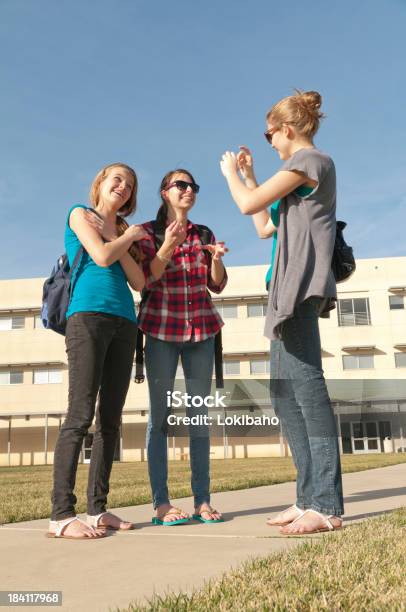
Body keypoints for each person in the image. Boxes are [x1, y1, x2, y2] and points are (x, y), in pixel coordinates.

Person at [220, 90, 344, 534]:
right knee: (284, 395)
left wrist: (232, 174)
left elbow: (246, 205)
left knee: (308, 393)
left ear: (286, 130)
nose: (269, 141)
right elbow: (262, 225)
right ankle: (306, 497)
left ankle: (326, 505)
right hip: (282, 291)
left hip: (299, 290)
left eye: (269, 133)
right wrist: (251, 175)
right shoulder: (295, 177)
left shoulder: (311, 162)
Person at [48, 163, 146, 539]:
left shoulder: (121, 230)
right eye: (117, 179)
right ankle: (61, 515)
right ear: (101, 183)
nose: (123, 186)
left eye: (130, 184)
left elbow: (138, 281)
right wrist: (120, 238)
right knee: (79, 414)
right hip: (87, 317)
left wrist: (118, 236)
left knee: (110, 421)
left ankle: (97, 510)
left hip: (125, 323)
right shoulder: (79, 213)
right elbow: (101, 257)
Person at [137, 169, 228, 525]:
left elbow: (216, 285)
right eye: (181, 185)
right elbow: (145, 278)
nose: (189, 190)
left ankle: (202, 501)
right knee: (159, 419)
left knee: (199, 420)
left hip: (201, 333)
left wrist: (216, 259)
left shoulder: (203, 234)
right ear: (165, 192)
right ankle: (161, 504)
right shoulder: (146, 233)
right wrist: (167, 245)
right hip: (161, 330)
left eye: (193, 186)